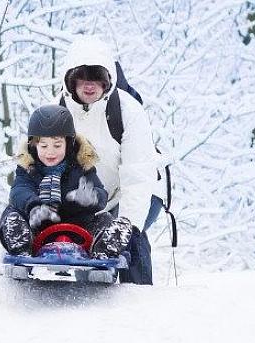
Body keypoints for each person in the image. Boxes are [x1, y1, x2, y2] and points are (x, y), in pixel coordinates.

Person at [58, 36, 163, 285]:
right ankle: (94, 298)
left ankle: (136, 296)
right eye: (81, 77)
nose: (89, 85)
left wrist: (127, 224)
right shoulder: (58, 110)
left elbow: (137, 175)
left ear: (108, 80)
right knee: (89, 250)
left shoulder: (128, 111)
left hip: (141, 191)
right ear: (70, 79)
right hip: (91, 198)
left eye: (97, 77)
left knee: (130, 240)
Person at [0, 104, 132, 260]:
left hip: (79, 226)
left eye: (57, 145)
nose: (50, 152)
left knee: (105, 219)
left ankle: (104, 247)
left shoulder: (81, 165)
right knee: (11, 213)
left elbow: (100, 192)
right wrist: (33, 206)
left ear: (69, 144)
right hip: (38, 227)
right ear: (33, 146)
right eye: (43, 145)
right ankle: (20, 243)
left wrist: (92, 197)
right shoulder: (29, 167)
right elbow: (19, 190)